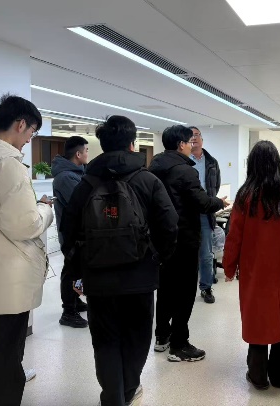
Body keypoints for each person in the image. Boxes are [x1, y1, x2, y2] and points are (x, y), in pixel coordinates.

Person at [60, 115, 178, 406]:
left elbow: (68, 230)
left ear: (102, 145)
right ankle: (128, 389)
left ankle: (112, 397)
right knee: (137, 337)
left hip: (98, 278)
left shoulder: (86, 183)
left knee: (105, 340)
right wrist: (157, 258)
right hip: (139, 276)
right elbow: (169, 224)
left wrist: (76, 270)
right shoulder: (147, 180)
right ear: (132, 144)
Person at [0, 94, 54, 405]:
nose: (30, 139)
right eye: (32, 132)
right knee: (7, 354)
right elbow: (25, 225)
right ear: (20, 124)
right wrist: (45, 210)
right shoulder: (8, 164)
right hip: (9, 276)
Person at [223, 141, 280, 390]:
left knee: (258, 322)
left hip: (255, 270)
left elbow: (234, 236)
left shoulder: (245, 196)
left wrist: (229, 267)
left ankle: (258, 377)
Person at [149, 125, 228, 362]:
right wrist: (219, 202)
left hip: (161, 238)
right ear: (181, 144)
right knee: (184, 292)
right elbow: (202, 203)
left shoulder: (153, 168)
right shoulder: (185, 171)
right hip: (184, 238)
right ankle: (179, 345)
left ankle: (162, 336)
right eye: (189, 141)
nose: (191, 145)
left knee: (165, 288)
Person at [52, 136, 89, 328]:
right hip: (70, 233)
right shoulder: (66, 177)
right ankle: (68, 311)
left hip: (76, 231)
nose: (87, 154)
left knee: (76, 269)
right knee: (70, 270)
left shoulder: (75, 173)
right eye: (86, 150)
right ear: (78, 154)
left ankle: (75, 301)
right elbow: (82, 203)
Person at [189, 126, 222, 304]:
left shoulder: (211, 162)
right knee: (186, 253)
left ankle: (206, 287)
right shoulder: (183, 160)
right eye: (190, 136)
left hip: (205, 212)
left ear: (202, 139)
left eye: (196, 135)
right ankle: (185, 288)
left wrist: (209, 202)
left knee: (206, 254)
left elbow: (215, 186)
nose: (193, 138)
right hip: (186, 213)